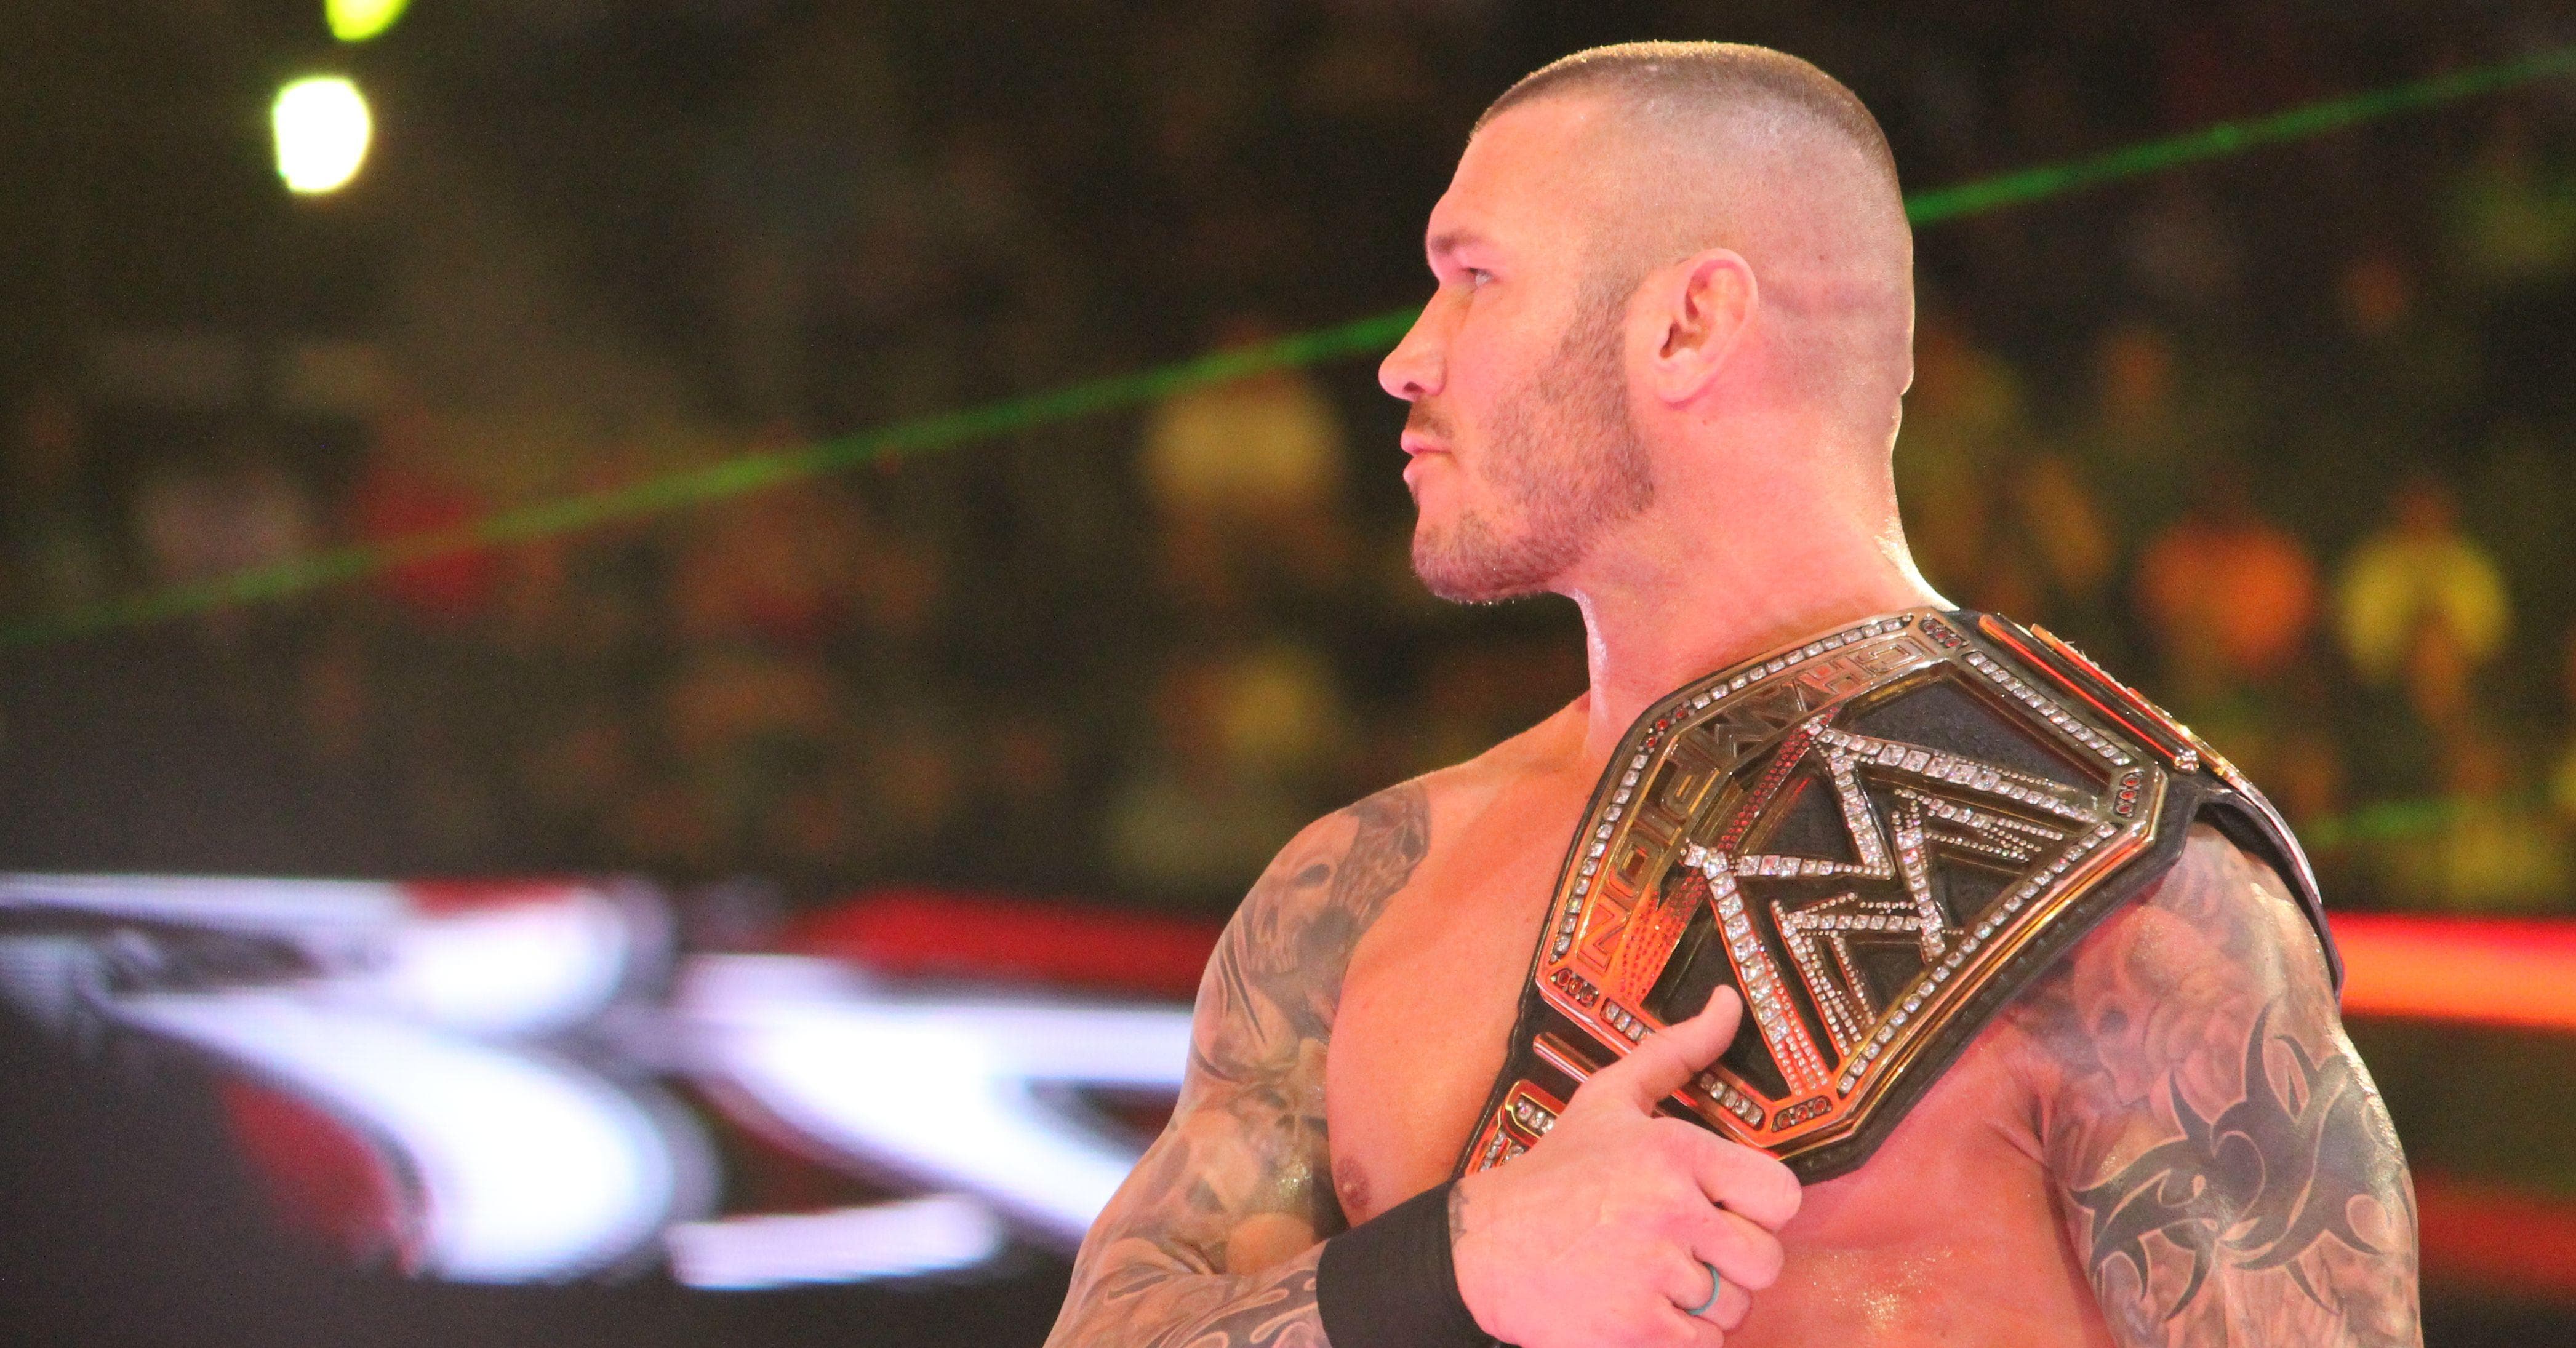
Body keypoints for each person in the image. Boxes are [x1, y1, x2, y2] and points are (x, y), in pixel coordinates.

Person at [1048, 42, 2417, 1348]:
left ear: (1688, 324)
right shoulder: (1357, 887)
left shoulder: (2127, 896)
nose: (1407, 354)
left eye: (1473, 278)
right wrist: (1460, 1263)